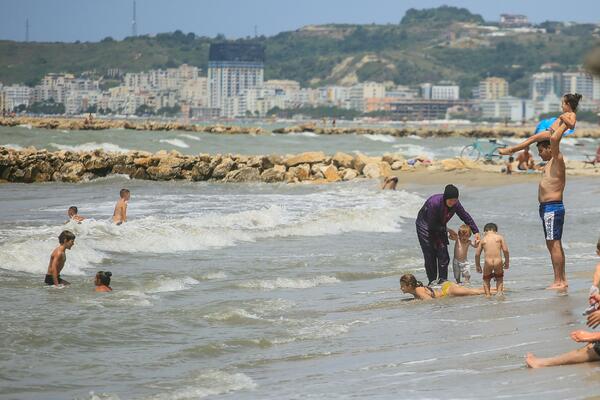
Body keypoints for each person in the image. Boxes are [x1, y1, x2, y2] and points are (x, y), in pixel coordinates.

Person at [499, 93, 581, 289]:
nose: (539, 153)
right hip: (547, 208)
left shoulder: (557, 158)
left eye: (541, 150)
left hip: (552, 207)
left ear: (549, 149)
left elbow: (555, 139)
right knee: (554, 244)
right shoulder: (549, 163)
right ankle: (562, 279)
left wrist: (563, 119)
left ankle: (559, 281)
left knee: (553, 244)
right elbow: (545, 137)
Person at [415, 184, 480, 286]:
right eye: (450, 200)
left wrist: (476, 231)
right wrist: (448, 230)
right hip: (425, 227)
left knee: (443, 254)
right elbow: (432, 225)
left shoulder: (456, 204)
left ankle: (442, 280)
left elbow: (465, 215)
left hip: (440, 225)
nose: (452, 203)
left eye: (455, 200)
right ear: (445, 198)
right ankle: (432, 281)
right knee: (430, 254)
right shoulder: (434, 203)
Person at [475, 223, 510, 297]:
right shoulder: (499, 237)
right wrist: (507, 262)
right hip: (498, 261)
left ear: (485, 231)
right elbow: (505, 250)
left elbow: (477, 254)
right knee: (499, 278)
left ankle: (488, 295)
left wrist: (478, 265)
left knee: (486, 279)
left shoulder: (483, 239)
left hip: (488, 262)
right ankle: (499, 293)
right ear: (495, 231)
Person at [399, 273, 490, 300]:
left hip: (448, 290)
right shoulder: (415, 291)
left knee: (476, 292)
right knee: (475, 290)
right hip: (446, 287)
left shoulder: (418, 291)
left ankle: (497, 291)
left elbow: (430, 301)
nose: (401, 288)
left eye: (402, 286)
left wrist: (415, 302)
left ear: (410, 285)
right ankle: (497, 289)